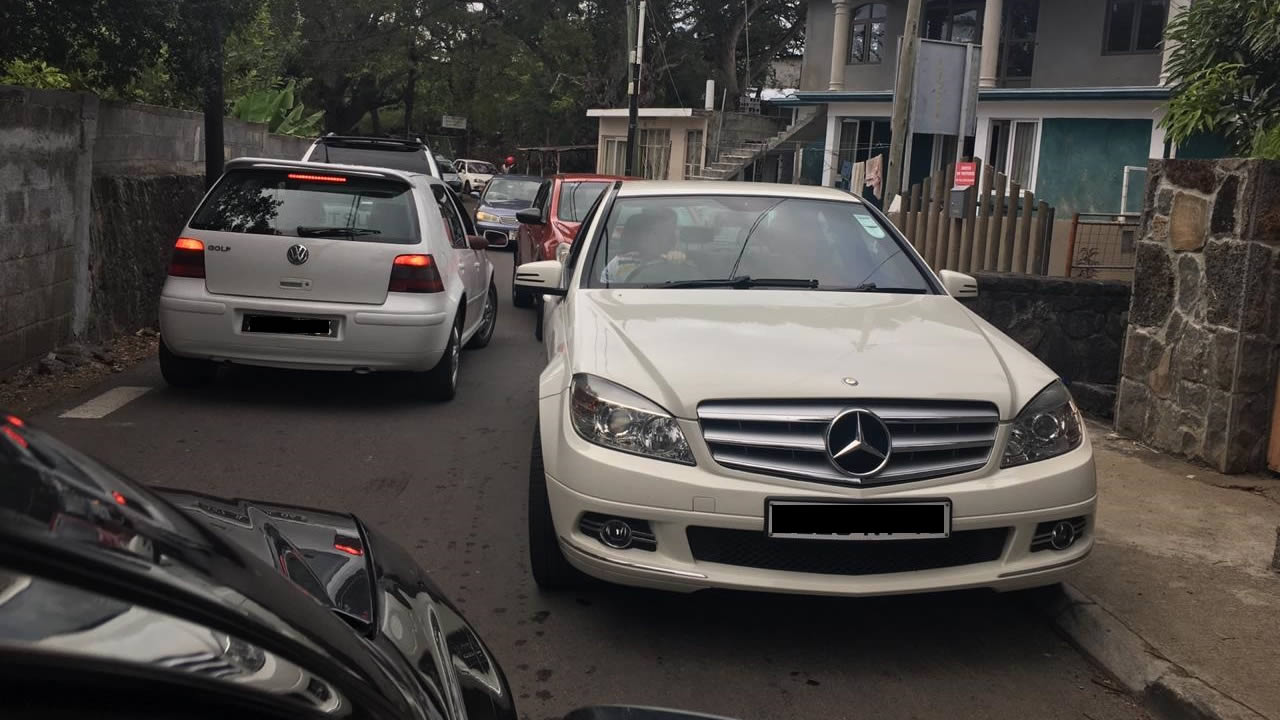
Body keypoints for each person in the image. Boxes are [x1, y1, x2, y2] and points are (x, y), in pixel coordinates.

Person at [600, 206, 689, 284]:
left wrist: (678, 262)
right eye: (651, 232)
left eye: (663, 233)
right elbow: (602, 291)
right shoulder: (618, 262)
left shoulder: (677, 260)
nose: (655, 237)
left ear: (670, 238)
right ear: (640, 235)